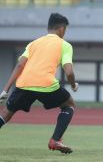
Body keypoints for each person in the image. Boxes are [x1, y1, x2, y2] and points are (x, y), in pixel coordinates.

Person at [0, 13, 78, 154]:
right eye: (64, 29)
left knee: (5, 114)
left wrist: (5, 90)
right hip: (46, 84)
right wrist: (73, 85)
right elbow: (69, 72)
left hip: (24, 83)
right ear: (61, 29)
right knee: (69, 105)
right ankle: (55, 140)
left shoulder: (33, 43)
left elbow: (19, 66)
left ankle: (56, 140)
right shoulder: (65, 45)